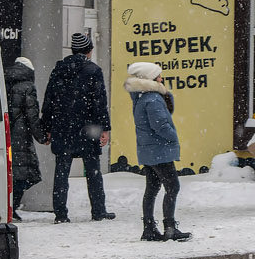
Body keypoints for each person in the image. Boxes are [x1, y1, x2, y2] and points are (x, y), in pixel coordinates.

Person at [40, 31, 114, 223]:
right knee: (93, 171)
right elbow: (99, 103)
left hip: (62, 128)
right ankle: (98, 210)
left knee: (61, 172)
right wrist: (104, 129)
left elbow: (49, 101)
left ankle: (60, 214)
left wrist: (46, 127)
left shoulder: (58, 70)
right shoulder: (93, 71)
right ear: (89, 51)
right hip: (87, 129)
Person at [125, 61, 191, 242]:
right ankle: (169, 228)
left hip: (149, 150)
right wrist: (174, 136)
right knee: (173, 186)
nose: (162, 78)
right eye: (159, 76)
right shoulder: (153, 99)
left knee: (152, 188)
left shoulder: (140, 97)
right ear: (151, 79)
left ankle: (149, 228)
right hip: (159, 150)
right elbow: (160, 125)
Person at [5, 56, 44, 220]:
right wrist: (41, 136)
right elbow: (32, 116)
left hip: (6, 135)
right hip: (21, 136)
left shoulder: (4, 81)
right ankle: (13, 207)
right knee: (23, 174)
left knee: (11, 173)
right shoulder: (28, 86)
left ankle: (9, 206)